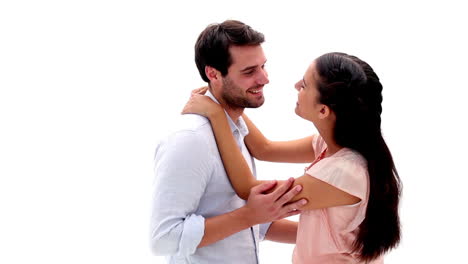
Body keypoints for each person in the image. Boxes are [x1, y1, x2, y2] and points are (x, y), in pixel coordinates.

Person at [182, 52, 402, 263]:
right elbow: (265, 149)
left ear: (323, 111)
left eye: (305, 85)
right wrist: (226, 101)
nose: (296, 86)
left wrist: (217, 115)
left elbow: (249, 190)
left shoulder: (344, 171)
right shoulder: (329, 144)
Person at [150, 20, 308, 264]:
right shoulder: (190, 140)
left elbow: (249, 221)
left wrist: (326, 237)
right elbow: (164, 238)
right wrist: (248, 215)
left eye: (263, 66)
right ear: (213, 74)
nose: (264, 79)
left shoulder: (235, 131)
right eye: (249, 71)